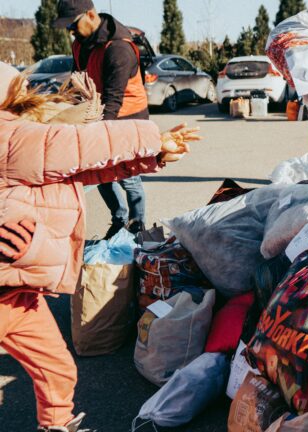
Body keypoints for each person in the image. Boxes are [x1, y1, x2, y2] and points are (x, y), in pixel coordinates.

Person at [0, 61, 196, 432]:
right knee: (56, 368)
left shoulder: (20, 139)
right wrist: (154, 137)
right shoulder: (13, 139)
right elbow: (80, 146)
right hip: (5, 286)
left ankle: (57, 426)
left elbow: (80, 170)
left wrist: (151, 158)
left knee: (56, 368)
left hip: (18, 291)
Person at [54, 0, 151, 239]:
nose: (71, 31)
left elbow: (114, 99)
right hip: (100, 114)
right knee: (102, 176)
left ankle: (138, 226)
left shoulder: (119, 48)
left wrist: (95, 137)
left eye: (73, 25)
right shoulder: (80, 44)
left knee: (128, 177)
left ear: (90, 15)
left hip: (128, 119)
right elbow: (79, 81)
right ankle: (119, 221)